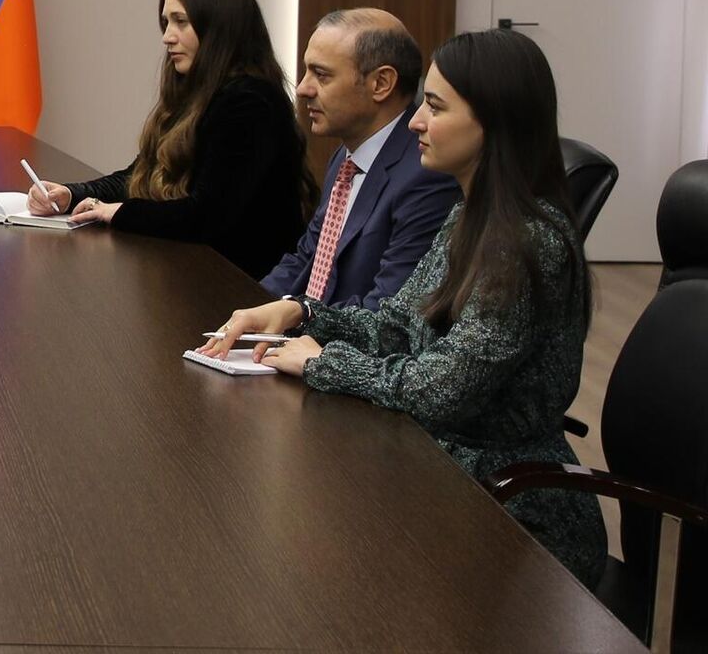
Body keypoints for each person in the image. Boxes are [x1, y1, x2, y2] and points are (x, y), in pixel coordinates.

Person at [201, 29, 605, 588]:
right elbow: (397, 325)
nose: (415, 122)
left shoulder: (525, 243)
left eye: (434, 107)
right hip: (443, 472)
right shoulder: (470, 216)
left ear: (493, 123)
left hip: (513, 513)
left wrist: (322, 362)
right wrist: (302, 314)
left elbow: (441, 389)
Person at [27, 0, 312, 277]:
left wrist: (118, 212)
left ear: (218, 27)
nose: (167, 37)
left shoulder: (251, 102)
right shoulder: (196, 91)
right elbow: (139, 175)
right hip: (193, 272)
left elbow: (206, 215)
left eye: (180, 22)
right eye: (165, 23)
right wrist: (72, 194)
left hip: (243, 284)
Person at [259, 9, 459, 310]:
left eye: (321, 75)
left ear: (381, 84)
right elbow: (306, 258)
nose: (302, 89)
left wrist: (298, 317)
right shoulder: (347, 157)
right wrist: (243, 307)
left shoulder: (426, 173)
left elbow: (387, 308)